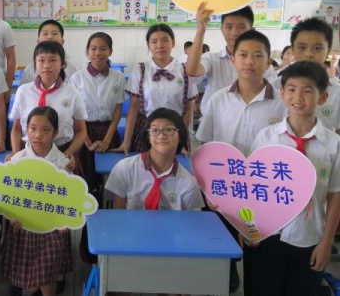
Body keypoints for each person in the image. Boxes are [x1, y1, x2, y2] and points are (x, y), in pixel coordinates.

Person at [195, 29, 287, 293]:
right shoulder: (218, 99)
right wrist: (207, 190)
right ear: (233, 60)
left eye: (258, 56)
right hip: (223, 189)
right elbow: (205, 147)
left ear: (268, 62)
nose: (250, 61)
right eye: (243, 55)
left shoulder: (281, 103)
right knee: (220, 254)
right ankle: (228, 277)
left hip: (263, 192)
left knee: (259, 258)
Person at [246, 61, 340, 296]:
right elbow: (252, 187)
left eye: (307, 90)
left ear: (322, 97)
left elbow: (335, 195)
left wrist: (326, 243)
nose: (298, 97)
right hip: (267, 235)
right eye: (291, 89)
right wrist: (248, 227)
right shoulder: (267, 137)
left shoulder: (333, 144)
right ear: (282, 93)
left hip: (309, 237)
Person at [2, 107, 73, 296]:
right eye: (32, 129)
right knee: (28, 277)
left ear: (55, 132)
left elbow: (70, 197)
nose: (38, 135)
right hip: (24, 225)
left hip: (52, 228)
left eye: (45, 129)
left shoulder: (63, 162)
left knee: (47, 277)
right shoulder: (16, 160)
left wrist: (66, 221)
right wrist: (12, 217)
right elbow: (8, 196)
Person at [120, 23, 198, 154]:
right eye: (154, 42)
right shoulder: (140, 69)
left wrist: (181, 141)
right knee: (144, 165)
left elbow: (188, 110)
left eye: (165, 40)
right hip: (147, 130)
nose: (159, 45)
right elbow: (133, 108)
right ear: (148, 46)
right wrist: (126, 141)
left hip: (175, 130)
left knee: (174, 165)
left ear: (173, 43)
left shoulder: (185, 70)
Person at [185, 2, 276, 113]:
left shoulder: (262, 65)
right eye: (229, 27)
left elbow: (273, 100)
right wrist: (201, 30)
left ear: (252, 30)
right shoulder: (213, 59)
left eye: (241, 27)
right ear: (222, 29)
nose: (234, 33)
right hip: (215, 120)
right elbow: (192, 71)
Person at [105, 107, 202, 211]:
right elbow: (118, 212)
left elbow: (189, 218)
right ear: (148, 137)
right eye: (155, 130)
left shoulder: (189, 183)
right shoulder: (125, 168)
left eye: (169, 130)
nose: (161, 136)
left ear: (180, 136)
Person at [69, 32, 126, 196]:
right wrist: (87, 142)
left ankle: (106, 206)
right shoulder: (77, 78)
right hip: (83, 131)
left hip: (109, 131)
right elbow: (73, 114)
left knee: (111, 181)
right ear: (87, 52)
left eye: (103, 48)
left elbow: (118, 110)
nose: (98, 53)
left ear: (110, 52)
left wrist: (107, 140)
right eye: (93, 48)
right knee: (85, 179)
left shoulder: (118, 77)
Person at [9, 41, 87, 161]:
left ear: (62, 63)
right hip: (28, 153)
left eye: (53, 60)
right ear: (35, 63)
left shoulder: (72, 93)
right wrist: (16, 154)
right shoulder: (23, 91)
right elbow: (17, 129)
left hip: (62, 151)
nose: (46, 65)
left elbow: (81, 131)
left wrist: (67, 154)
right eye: (41, 60)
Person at [274, 17, 340, 134]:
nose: (309, 54)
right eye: (302, 48)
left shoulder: (337, 93)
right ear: (293, 49)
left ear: (328, 51)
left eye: (317, 48)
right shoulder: (275, 86)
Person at [19, 20, 77, 85]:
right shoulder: (30, 69)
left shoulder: (70, 68)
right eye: (45, 33)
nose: (50, 37)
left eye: (54, 33)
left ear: (62, 41)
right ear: (38, 41)